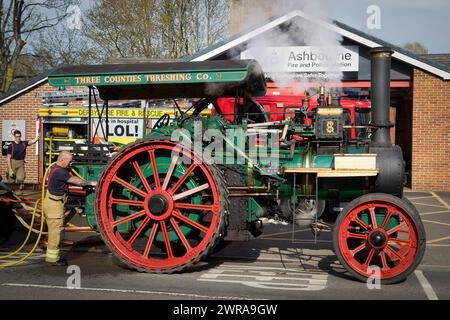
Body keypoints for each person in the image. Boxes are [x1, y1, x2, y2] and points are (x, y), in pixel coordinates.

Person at [44, 150, 96, 266]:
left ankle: (53, 256)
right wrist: (91, 183)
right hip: (54, 205)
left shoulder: (57, 168)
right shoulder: (59, 172)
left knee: (56, 229)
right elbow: (76, 181)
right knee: (55, 232)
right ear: (62, 160)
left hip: (56, 202)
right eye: (69, 161)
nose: (70, 163)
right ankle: (52, 259)